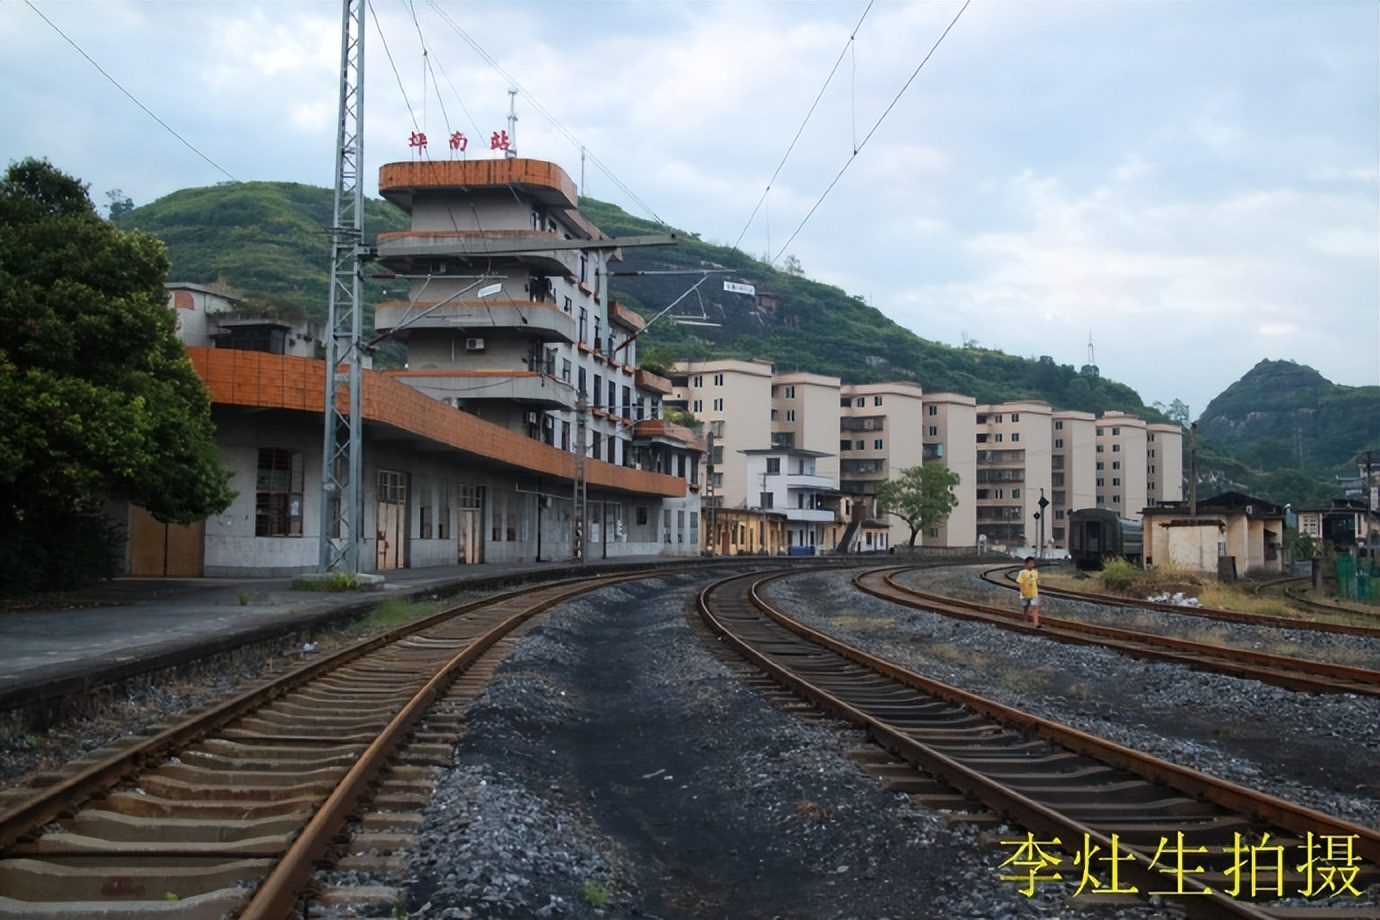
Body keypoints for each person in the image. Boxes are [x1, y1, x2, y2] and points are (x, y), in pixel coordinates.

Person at [1017, 555, 1041, 628]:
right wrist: (1022, 591)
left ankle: (1036, 623)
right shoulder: (1022, 573)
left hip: (1034, 593)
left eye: (1032, 563)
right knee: (1025, 607)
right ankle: (1025, 620)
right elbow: (1020, 583)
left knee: (1034, 607)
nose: (1031, 564)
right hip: (1025, 593)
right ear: (1026, 564)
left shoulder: (1035, 572)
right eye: (1030, 563)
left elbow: (1037, 582)